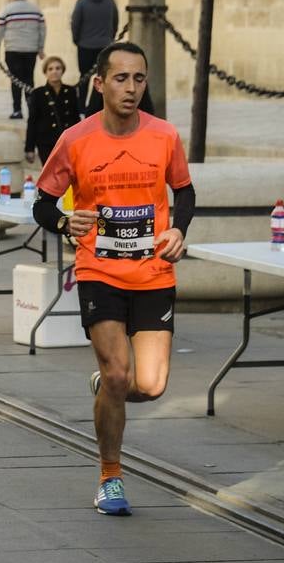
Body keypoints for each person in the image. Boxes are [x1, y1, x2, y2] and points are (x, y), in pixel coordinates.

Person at [33, 42, 193, 516]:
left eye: (139, 79)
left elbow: (184, 191)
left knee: (151, 384)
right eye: (121, 79)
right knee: (120, 373)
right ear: (99, 83)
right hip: (99, 270)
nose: (131, 88)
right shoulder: (76, 139)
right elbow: (43, 202)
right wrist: (64, 222)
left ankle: (107, 386)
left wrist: (180, 228)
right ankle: (110, 475)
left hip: (153, 271)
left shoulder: (164, 135)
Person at [0, 0, 47, 119]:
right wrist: (40, 48)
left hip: (13, 50)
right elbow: (42, 30)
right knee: (29, 79)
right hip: (30, 50)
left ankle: (17, 110)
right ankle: (32, 109)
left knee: (15, 80)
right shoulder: (35, 9)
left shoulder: (7, 9)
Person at [71, 0, 119, 106]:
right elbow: (115, 21)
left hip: (85, 45)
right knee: (103, 76)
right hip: (105, 45)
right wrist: (110, 37)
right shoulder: (110, 1)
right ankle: (99, 104)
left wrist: (77, 40)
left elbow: (75, 23)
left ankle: (81, 105)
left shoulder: (81, 2)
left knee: (84, 77)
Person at [24, 56, 80, 165]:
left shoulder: (70, 91)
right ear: (45, 72)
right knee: (50, 177)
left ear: (62, 71)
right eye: (50, 69)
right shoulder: (38, 93)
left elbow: (76, 118)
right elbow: (32, 121)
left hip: (67, 142)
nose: (54, 71)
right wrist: (29, 148)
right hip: (46, 143)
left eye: (58, 68)